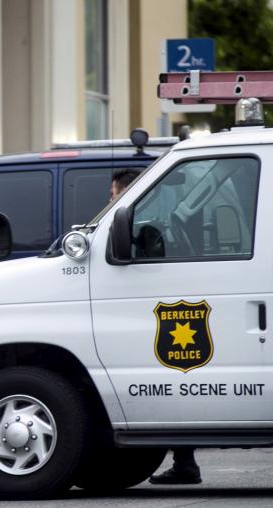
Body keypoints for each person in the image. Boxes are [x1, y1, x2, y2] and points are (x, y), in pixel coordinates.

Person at [109, 168, 203, 486]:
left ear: (126, 192)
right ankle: (184, 462)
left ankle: (184, 462)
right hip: (160, 314)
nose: (110, 199)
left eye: (113, 194)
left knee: (172, 379)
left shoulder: (143, 226)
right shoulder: (159, 221)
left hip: (155, 315)